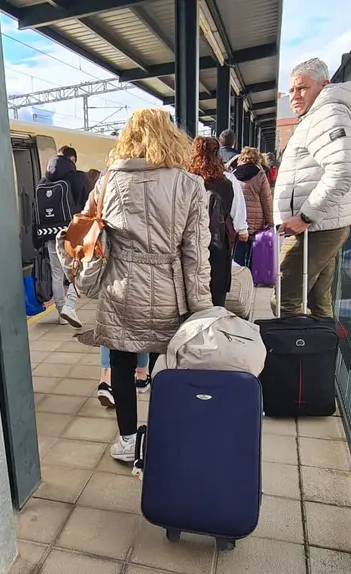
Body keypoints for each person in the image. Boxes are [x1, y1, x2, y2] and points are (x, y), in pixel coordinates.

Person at [92, 108, 212, 462]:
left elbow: (95, 238)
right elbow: (195, 254)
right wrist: (201, 308)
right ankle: (166, 439)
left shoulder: (107, 181)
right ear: (171, 137)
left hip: (121, 289)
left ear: (128, 138)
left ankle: (128, 441)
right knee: (169, 366)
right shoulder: (190, 184)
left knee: (122, 365)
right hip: (169, 291)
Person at [274, 58, 351, 318]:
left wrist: (305, 217)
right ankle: (317, 355)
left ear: (324, 85)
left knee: (284, 301)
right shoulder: (319, 115)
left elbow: (344, 170)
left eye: (302, 88)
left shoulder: (328, 114)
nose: (295, 96)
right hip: (321, 226)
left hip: (314, 228)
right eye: (291, 90)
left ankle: (291, 357)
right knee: (317, 301)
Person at [187, 137, 248, 307]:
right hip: (219, 242)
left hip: (191, 242)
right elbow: (238, 209)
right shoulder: (228, 180)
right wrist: (242, 229)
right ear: (217, 152)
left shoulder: (186, 179)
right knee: (216, 292)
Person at [34, 147, 88, 327]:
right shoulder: (78, 177)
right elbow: (86, 206)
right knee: (76, 271)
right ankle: (70, 306)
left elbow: (37, 213)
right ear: (73, 158)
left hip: (50, 234)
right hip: (73, 232)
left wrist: (37, 240)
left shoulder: (43, 181)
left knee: (57, 275)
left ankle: (60, 312)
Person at [232, 147, 275, 268]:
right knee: (253, 253)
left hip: (238, 220)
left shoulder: (233, 174)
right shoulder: (260, 174)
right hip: (256, 221)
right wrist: (270, 223)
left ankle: (238, 277)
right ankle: (251, 278)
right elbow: (266, 200)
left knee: (238, 252)